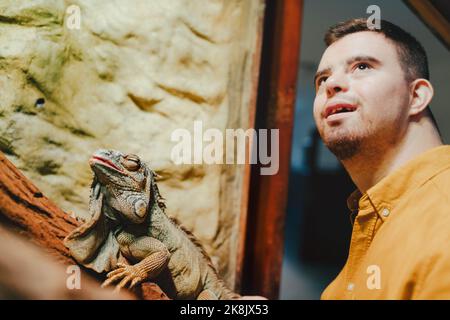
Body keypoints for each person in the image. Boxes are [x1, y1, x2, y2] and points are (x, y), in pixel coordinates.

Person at [313, 18, 450, 299]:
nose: (332, 84)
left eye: (362, 67)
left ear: (417, 96)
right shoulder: (376, 218)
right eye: (322, 79)